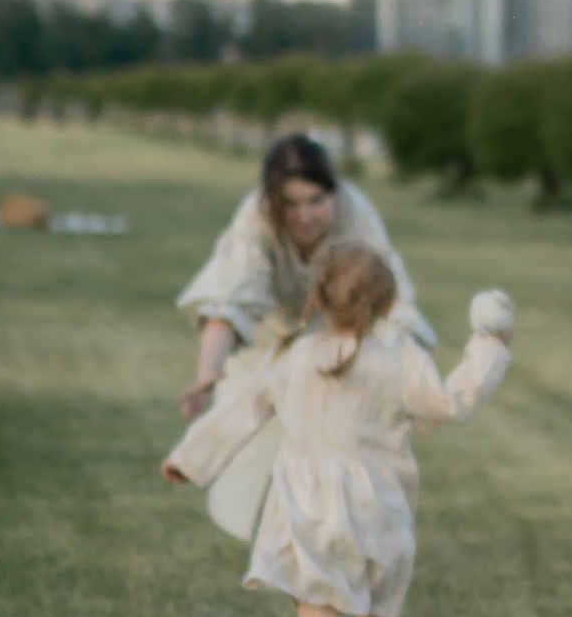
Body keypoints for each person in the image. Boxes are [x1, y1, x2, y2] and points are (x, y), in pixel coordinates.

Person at [165, 242, 515, 617]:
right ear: (385, 302)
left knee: (316, 608)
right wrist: (490, 345)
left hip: (307, 507)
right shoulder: (402, 360)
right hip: (379, 506)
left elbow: (241, 411)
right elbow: (453, 403)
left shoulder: (290, 357)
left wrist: (189, 460)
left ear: (319, 298)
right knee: (377, 605)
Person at [172, 130, 433, 429]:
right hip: (265, 350)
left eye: (316, 201)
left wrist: (411, 384)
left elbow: (392, 307)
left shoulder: (357, 215)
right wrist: (208, 373)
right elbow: (230, 297)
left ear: (333, 191)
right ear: (271, 200)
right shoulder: (254, 219)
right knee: (243, 457)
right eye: (291, 205)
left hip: (336, 352)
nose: (305, 217)